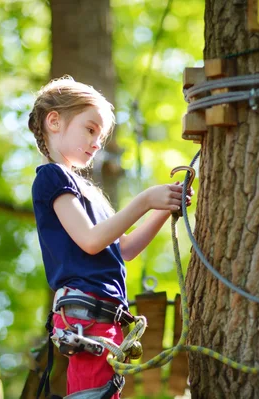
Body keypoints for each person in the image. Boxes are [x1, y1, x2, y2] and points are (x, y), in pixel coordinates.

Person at [29, 76, 194, 399]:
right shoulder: (52, 177)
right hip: (85, 315)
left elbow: (125, 249)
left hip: (105, 315)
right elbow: (90, 240)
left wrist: (163, 207)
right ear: (54, 121)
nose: (96, 143)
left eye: (100, 137)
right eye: (90, 129)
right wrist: (144, 200)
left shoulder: (90, 192)